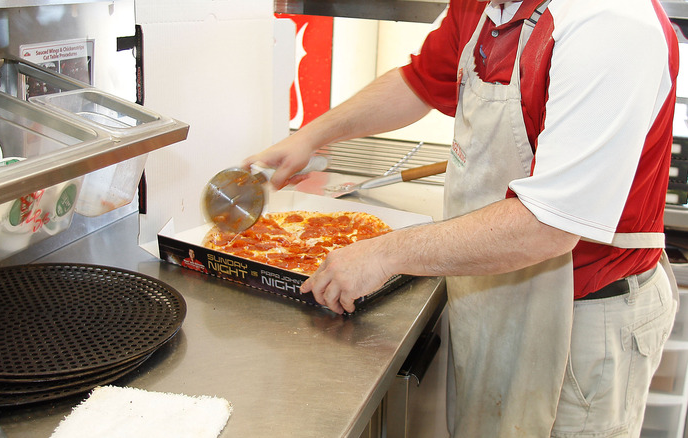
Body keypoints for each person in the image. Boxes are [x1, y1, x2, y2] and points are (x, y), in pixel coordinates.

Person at [243, 0, 681, 436]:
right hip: (494, 289)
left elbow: (549, 226)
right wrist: (313, 134)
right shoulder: (483, 5)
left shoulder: (609, 22)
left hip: (583, 318)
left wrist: (383, 255)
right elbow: (418, 83)